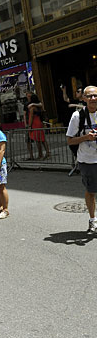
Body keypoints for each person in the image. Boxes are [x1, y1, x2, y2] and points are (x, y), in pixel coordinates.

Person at [66, 86, 97, 233]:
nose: (93, 99)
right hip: (88, 161)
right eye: (89, 96)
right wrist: (86, 137)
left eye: (95, 95)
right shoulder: (78, 116)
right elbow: (70, 140)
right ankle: (92, 221)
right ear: (83, 98)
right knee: (91, 191)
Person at [27, 94, 50, 160]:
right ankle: (47, 152)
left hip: (35, 123)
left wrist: (29, 126)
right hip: (39, 122)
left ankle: (40, 154)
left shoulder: (32, 108)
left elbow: (31, 117)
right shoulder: (39, 106)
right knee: (42, 139)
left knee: (38, 140)